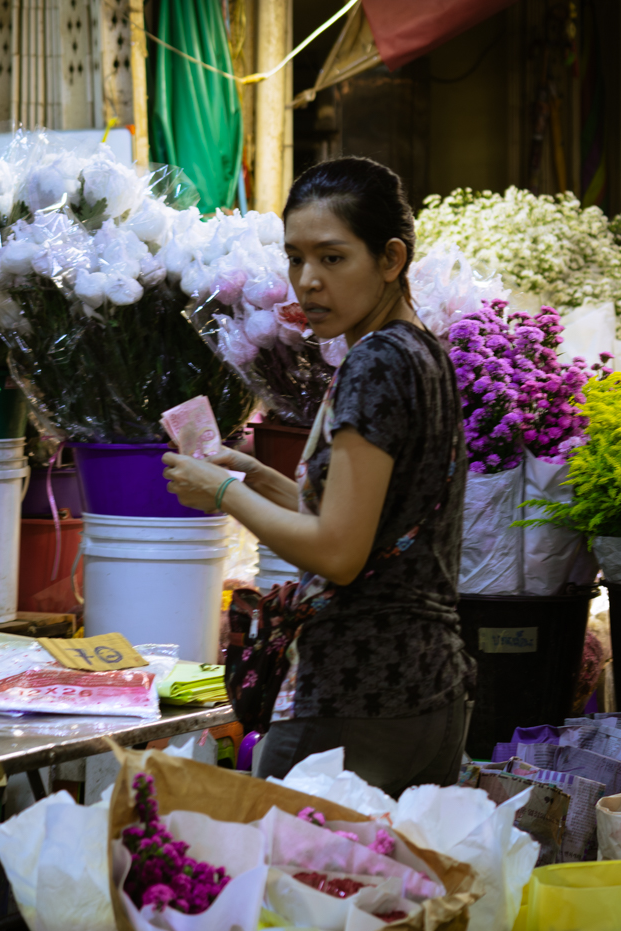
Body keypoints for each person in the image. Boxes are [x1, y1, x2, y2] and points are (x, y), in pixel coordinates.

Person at [161, 157, 472, 797]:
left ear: (391, 259)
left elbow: (338, 551)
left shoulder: (376, 362)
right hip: (430, 694)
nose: (307, 282)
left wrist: (219, 494)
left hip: (358, 699)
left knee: (293, 894)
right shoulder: (419, 351)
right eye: (295, 258)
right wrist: (248, 474)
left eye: (332, 259)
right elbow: (361, 515)